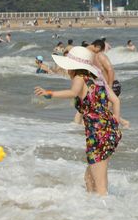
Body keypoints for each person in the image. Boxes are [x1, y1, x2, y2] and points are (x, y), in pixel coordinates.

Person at [34, 46, 123, 196]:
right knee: (89, 178)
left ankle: (105, 213)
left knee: (100, 186)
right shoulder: (99, 81)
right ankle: (92, 210)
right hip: (109, 132)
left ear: (73, 67)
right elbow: (115, 101)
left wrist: (50, 93)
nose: (68, 71)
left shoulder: (79, 78)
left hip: (97, 134)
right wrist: (115, 119)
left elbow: (73, 92)